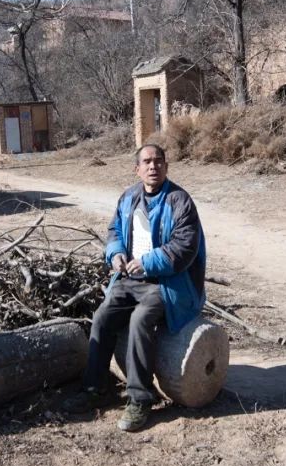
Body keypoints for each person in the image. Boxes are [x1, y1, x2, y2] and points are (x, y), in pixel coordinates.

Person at [68, 144, 206, 432]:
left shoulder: (180, 201)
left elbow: (184, 248)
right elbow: (114, 231)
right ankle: (95, 388)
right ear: (137, 169)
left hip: (170, 283)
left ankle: (140, 399)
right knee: (103, 315)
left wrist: (146, 263)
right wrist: (115, 253)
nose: (153, 167)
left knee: (140, 320)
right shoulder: (129, 197)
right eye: (147, 162)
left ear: (166, 167)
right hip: (131, 278)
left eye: (158, 162)